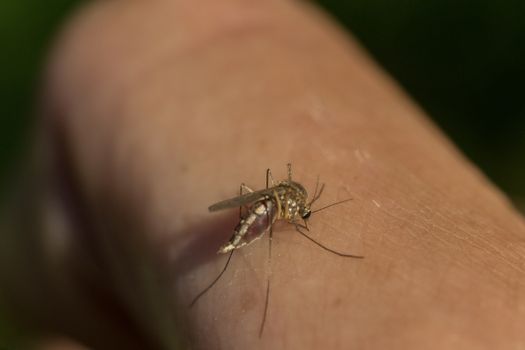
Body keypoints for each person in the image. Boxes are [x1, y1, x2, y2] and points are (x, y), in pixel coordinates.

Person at [2, 0, 525, 349]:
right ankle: (234, 257)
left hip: (265, 195)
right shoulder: (284, 202)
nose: (303, 213)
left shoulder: (295, 195)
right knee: (261, 223)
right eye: (303, 207)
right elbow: (280, 201)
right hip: (260, 203)